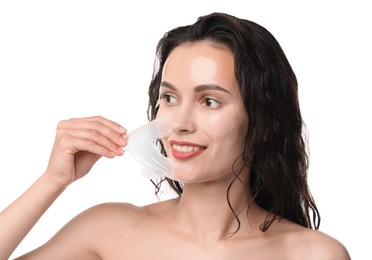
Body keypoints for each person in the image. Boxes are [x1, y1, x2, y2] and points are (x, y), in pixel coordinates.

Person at [0, 12, 350, 259]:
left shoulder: (314, 254)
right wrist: (52, 181)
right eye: (169, 98)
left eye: (209, 101)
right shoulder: (108, 230)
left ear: (263, 122)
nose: (178, 123)